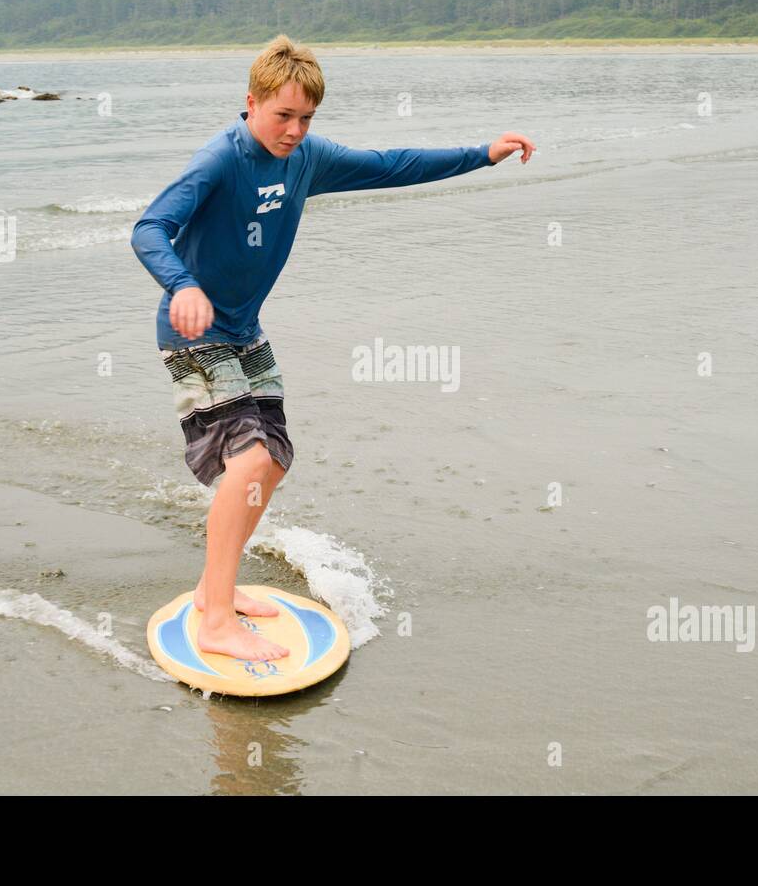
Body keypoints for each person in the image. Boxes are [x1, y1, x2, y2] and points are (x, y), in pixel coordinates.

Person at [131, 34, 535, 661]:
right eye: (283, 115)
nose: (294, 130)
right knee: (251, 458)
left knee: (275, 459)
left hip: (244, 329)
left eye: (306, 118)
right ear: (251, 102)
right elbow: (150, 227)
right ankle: (213, 617)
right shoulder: (219, 160)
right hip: (193, 333)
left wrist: (482, 153)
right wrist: (182, 285)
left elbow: (392, 164)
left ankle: (220, 590)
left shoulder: (306, 158)